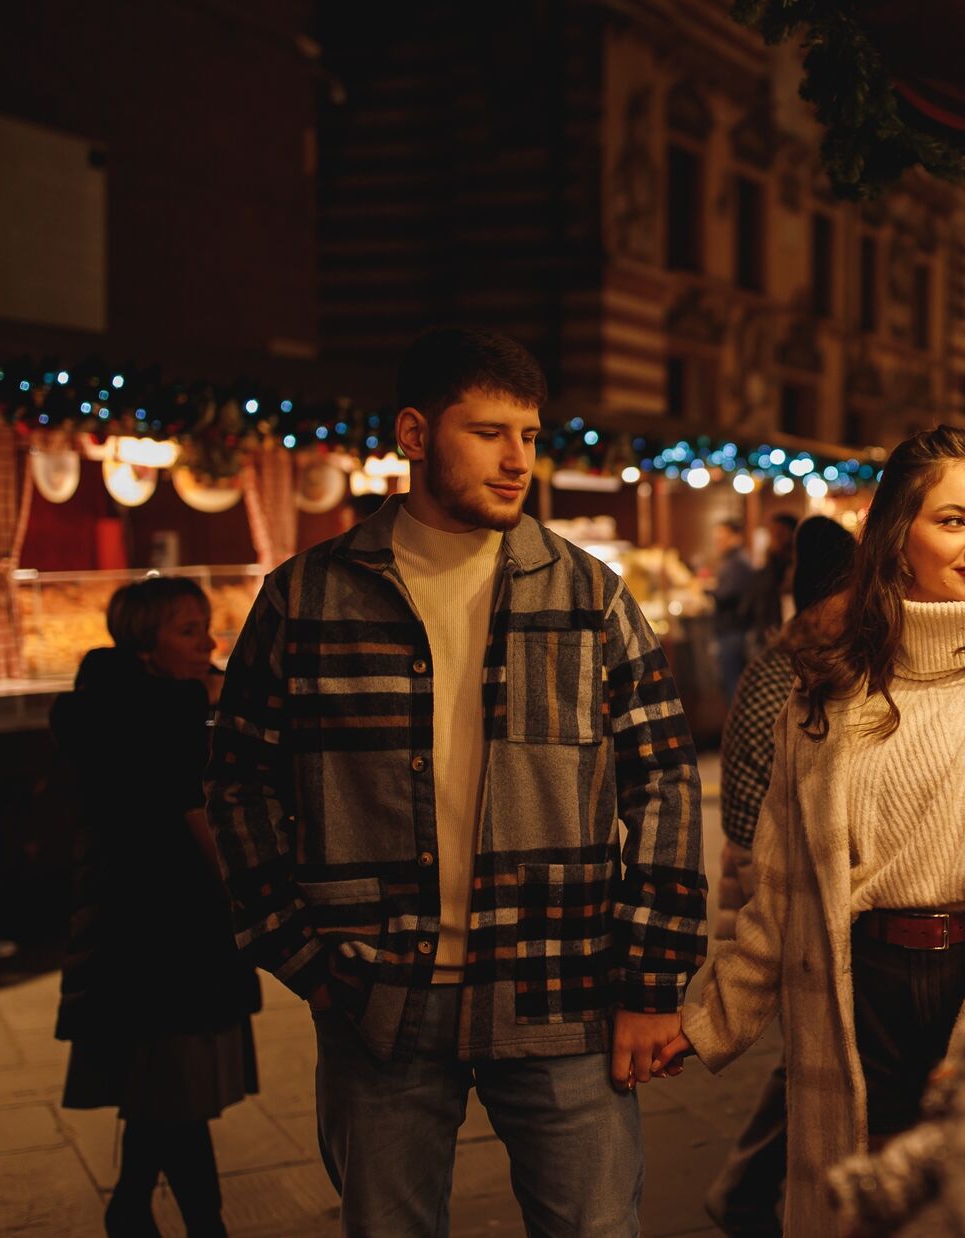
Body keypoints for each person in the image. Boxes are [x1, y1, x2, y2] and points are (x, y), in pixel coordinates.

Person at [206, 327, 705, 1237]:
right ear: (413, 434)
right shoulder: (310, 596)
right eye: (488, 433)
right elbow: (238, 783)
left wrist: (652, 983)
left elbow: (666, 784)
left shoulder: (587, 596)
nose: (519, 460)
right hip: (379, 999)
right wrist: (304, 958)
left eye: (529, 434)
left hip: (559, 992)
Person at [660, 425, 965, 1235]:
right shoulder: (829, 691)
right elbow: (779, 894)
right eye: (953, 521)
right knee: (869, 1205)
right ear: (897, 537)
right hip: (862, 985)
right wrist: (706, 1020)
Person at [53, 576, 261, 1238]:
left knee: (160, 1087)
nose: (208, 642)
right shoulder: (164, 713)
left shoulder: (115, 702)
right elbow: (192, 812)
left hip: (131, 922)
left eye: (206, 626)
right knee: (177, 1093)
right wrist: (244, 885)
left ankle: (130, 1207)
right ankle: (205, 1225)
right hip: (164, 928)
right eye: (188, 630)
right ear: (147, 645)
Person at [702, 514, 858, 1237]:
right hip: (775, 875)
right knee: (807, 1047)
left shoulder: (789, 652)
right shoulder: (803, 667)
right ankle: (741, 1191)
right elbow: (764, 799)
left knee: (809, 1046)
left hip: (766, 867)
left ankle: (744, 1189)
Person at [711, 518, 759, 701]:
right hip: (733, 629)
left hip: (733, 630)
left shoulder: (737, 562)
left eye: (721, 537)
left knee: (733, 685)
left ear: (735, 537)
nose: (718, 542)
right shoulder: (735, 560)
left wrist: (709, 591)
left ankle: (737, 727)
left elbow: (727, 595)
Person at [739, 511, 800, 641]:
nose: (774, 537)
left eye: (779, 532)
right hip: (767, 633)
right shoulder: (770, 565)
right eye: (772, 533)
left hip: (792, 634)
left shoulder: (798, 565)